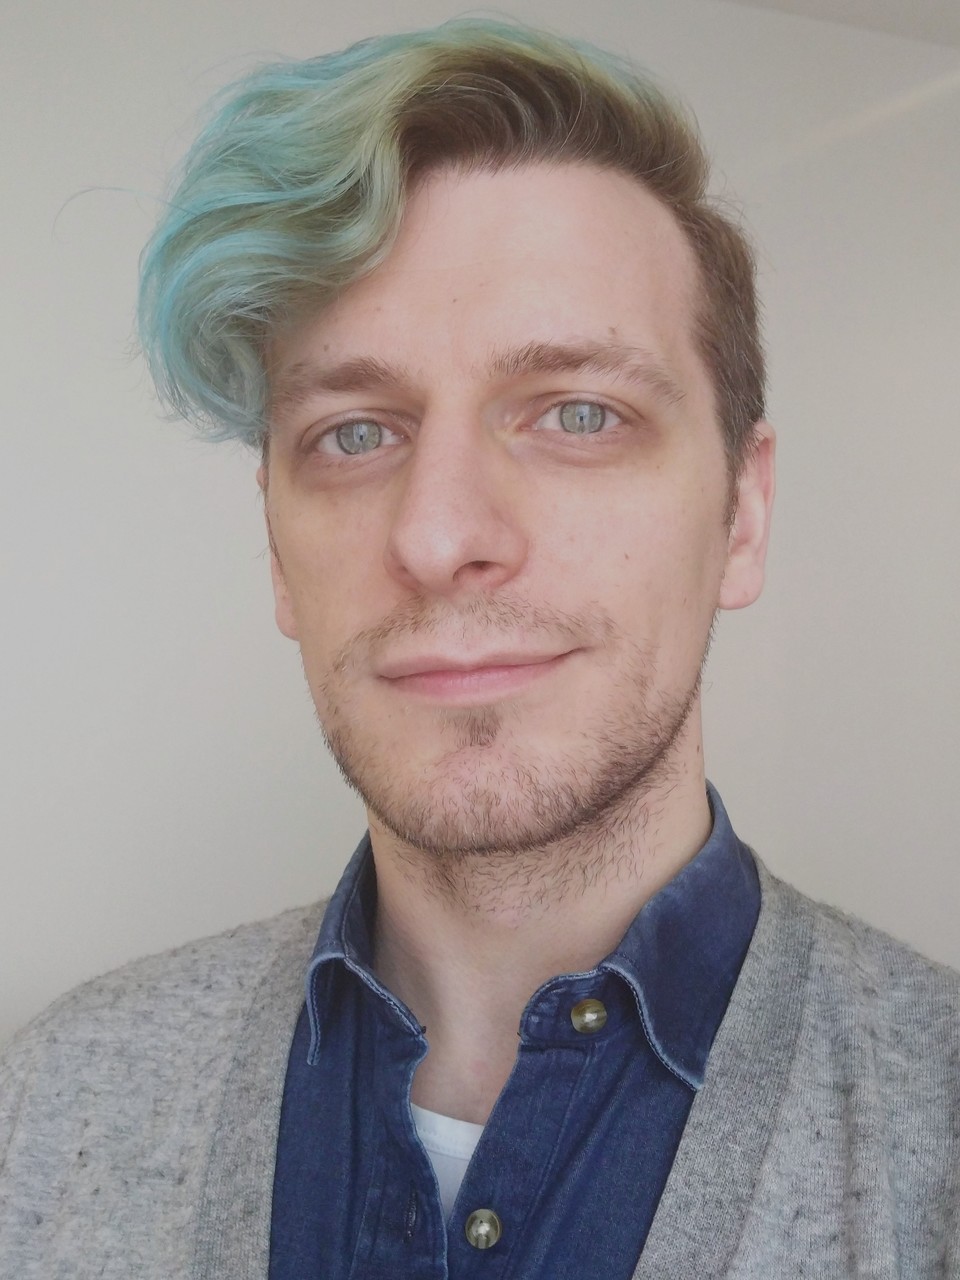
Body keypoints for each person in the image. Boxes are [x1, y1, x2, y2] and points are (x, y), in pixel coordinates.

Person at [1, 17, 958, 1279]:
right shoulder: (53, 1102)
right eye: (354, 432)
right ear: (277, 548)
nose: (439, 535)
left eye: (579, 413)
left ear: (743, 512)